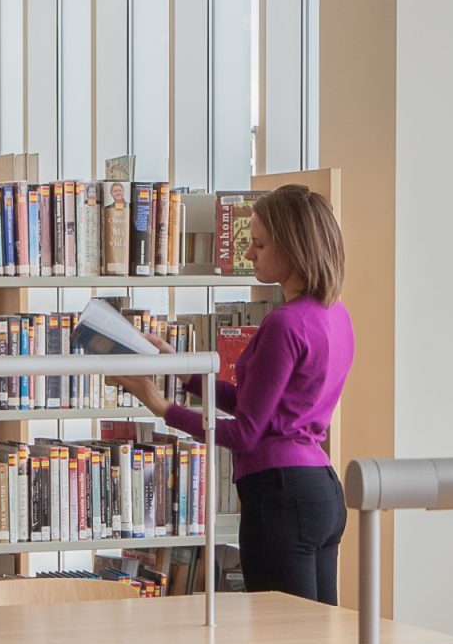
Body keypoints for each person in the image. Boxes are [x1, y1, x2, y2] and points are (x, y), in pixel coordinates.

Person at [116, 184, 354, 603]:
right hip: (321, 492)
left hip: (279, 497)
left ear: (294, 247)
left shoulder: (285, 324)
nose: (249, 255)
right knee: (318, 641)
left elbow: (246, 433)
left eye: (259, 245)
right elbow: (261, 404)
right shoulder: (335, 315)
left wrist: (159, 405)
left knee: (280, 642)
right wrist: (185, 371)